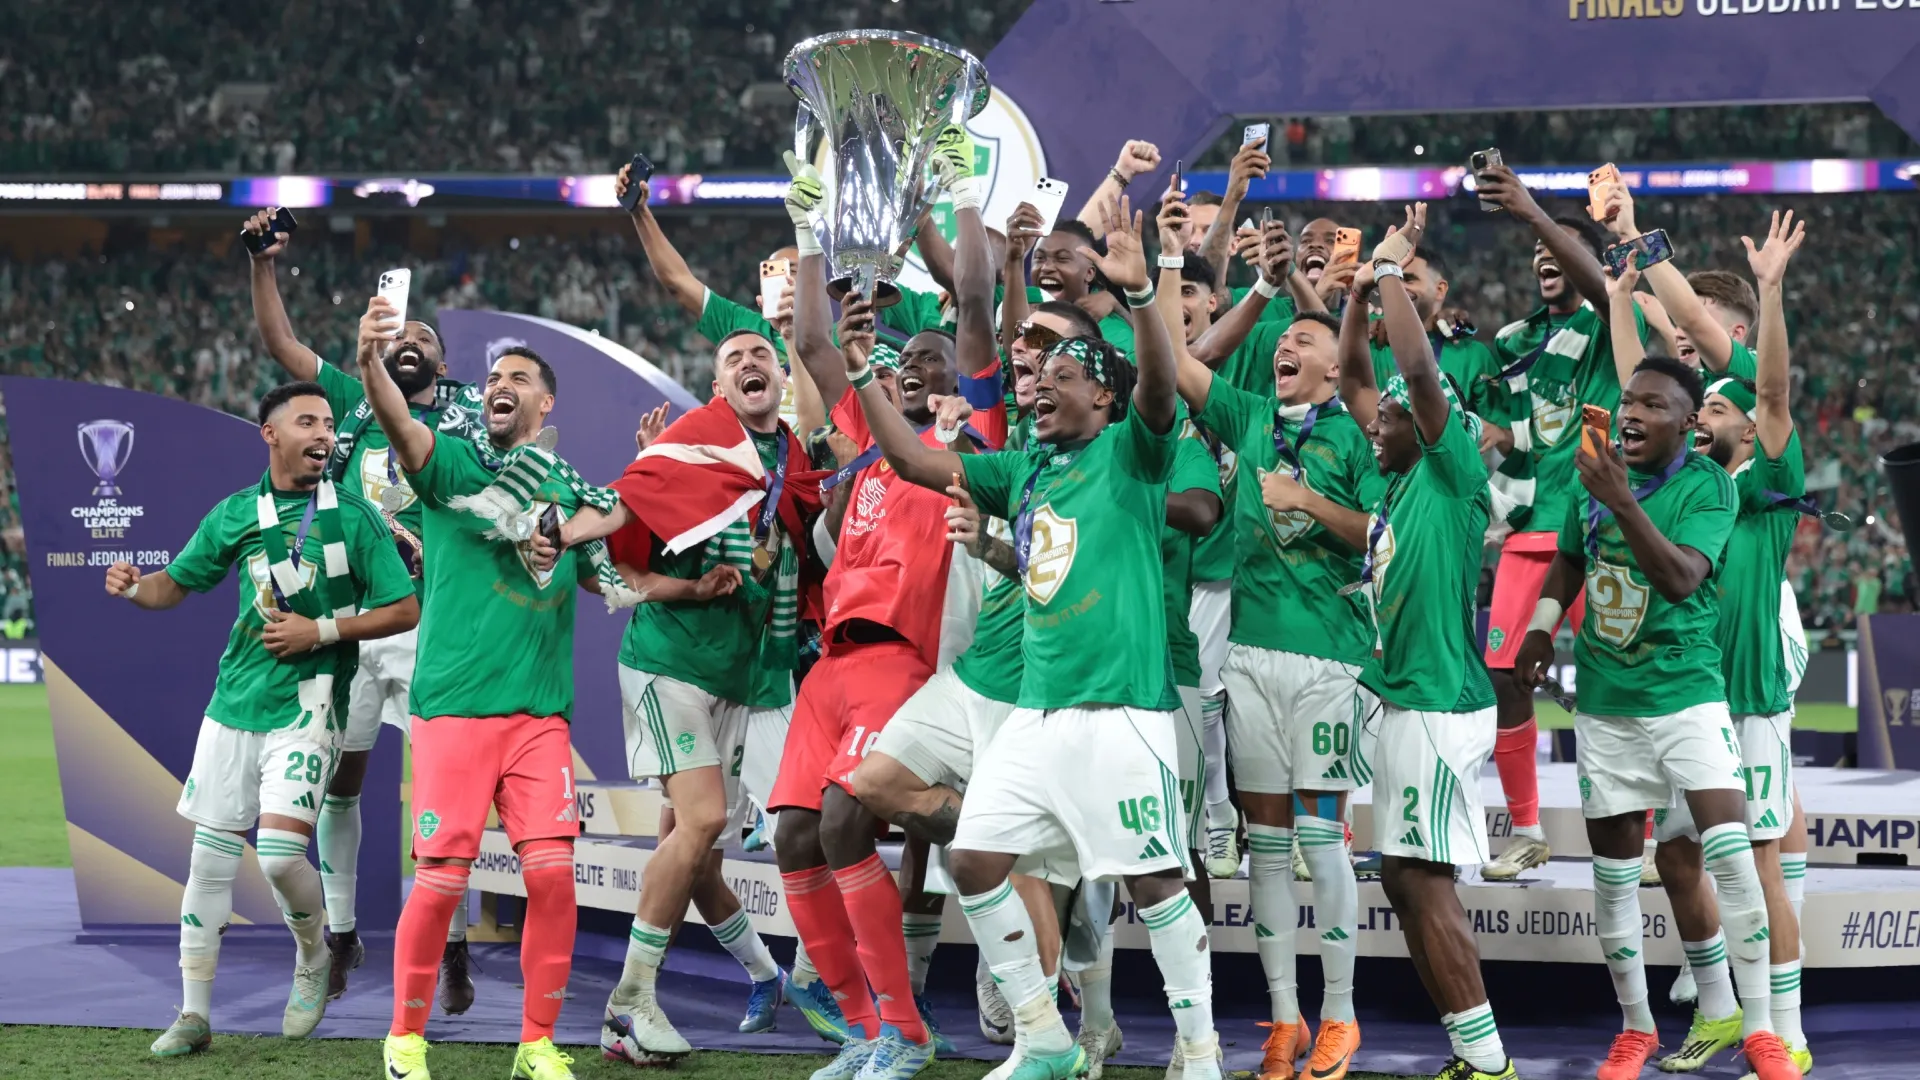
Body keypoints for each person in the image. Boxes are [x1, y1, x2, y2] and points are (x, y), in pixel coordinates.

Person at [853, 190, 1223, 1080]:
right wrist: (863, 374)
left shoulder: (1133, 452)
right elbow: (911, 460)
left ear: (1104, 393)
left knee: (1155, 884)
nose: (1038, 390)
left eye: (1060, 379)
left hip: (1120, 712)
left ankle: (1201, 1052)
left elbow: (1163, 388)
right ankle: (1044, 1039)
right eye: (1032, 381)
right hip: (1036, 714)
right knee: (977, 862)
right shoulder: (1025, 468)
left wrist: (1141, 299)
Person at [765, 127, 1006, 1080]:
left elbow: (979, 300)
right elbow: (813, 340)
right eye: (910, 364)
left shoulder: (974, 444)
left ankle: (903, 1029)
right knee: (792, 839)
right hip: (831, 661)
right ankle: (870, 1025)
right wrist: (808, 217)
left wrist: (963, 189)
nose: (921, 371)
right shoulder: (867, 433)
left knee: (842, 822)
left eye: (938, 368)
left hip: (906, 661)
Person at [112, 381, 418, 1057]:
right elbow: (175, 584)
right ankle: (193, 1014)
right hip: (233, 705)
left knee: (281, 857)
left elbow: (403, 610)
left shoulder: (357, 518)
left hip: (310, 704)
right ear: (271, 434)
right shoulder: (235, 514)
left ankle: (314, 956)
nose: (323, 433)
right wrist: (137, 587)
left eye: (330, 423)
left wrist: (323, 631)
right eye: (307, 421)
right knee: (209, 860)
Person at [1513, 355, 1797, 1080]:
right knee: (1613, 880)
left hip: (1688, 697)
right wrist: (1542, 628)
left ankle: (1760, 1029)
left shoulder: (1709, 489)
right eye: (1627, 401)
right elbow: (1570, 562)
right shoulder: (1594, 471)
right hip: (1608, 704)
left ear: (1688, 423)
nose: (1631, 414)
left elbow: (1677, 580)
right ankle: (1635, 1029)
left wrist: (1623, 499)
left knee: (1731, 861)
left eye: (1652, 405)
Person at [553, 328, 829, 1060]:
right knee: (703, 823)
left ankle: (766, 975)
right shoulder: (689, 450)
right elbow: (621, 525)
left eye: (761, 356)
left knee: (698, 847)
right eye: (733, 357)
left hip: (751, 678)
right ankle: (632, 997)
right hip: (670, 664)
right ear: (716, 387)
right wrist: (564, 528)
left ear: (780, 379)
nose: (749, 363)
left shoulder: (796, 463)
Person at [359, 297, 613, 1080]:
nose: (500, 383)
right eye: (494, 375)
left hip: (540, 715)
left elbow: (621, 571)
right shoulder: (453, 468)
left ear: (545, 404)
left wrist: (686, 574)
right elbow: (401, 427)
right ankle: (405, 1038)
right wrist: (369, 359)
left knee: (551, 878)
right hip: (454, 709)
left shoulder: (565, 490)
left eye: (519, 377)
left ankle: (536, 1043)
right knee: (440, 881)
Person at [1159, 191, 1379, 1080]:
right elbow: (1174, 364)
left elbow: (1380, 535)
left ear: (1336, 370)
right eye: (1282, 345)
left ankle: (1341, 1016)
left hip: (1330, 658)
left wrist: (1308, 503)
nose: (1287, 349)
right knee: (1269, 851)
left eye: (1305, 345)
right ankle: (1284, 1021)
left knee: (1324, 845)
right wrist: (1172, 263)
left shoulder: (1362, 437)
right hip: (1248, 659)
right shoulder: (1248, 418)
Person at [242, 209, 480, 1004]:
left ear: (444, 364)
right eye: (399, 335)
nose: (411, 343)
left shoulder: (472, 413)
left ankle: (449, 942)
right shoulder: (347, 396)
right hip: (350, 626)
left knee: (439, 787)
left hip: (432, 625)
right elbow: (281, 347)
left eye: (427, 340)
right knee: (343, 785)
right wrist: (264, 264)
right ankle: (341, 935)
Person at [1340, 207, 1518, 1080]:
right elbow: (1358, 384)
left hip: (1440, 702)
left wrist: (1383, 270)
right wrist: (1352, 303)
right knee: (1407, 881)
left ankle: (1488, 1065)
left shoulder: (1450, 478)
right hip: (1407, 702)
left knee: (1422, 878)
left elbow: (1414, 368)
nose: (1378, 422)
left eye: (1396, 415)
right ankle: (1471, 1056)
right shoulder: (1396, 486)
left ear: (1435, 422)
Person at [1635, 213, 1814, 1079]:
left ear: (1748, 422)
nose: (1703, 407)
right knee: (1675, 853)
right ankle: (1716, 1008)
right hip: (1690, 695)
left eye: (1714, 402)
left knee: (1762, 859)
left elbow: (1768, 389)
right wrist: (1637, 248)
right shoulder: (1693, 482)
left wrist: (1771, 291)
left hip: (1748, 698)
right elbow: (1687, 336)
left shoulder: (1771, 478)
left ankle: (1785, 1026)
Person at [1473, 161, 1645, 884]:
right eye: (1538, 252)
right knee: (1506, 674)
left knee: (1627, 675)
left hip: (1602, 527)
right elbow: (1517, 429)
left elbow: (1605, 286)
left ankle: (1645, 834)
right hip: (1532, 529)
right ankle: (1528, 828)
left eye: (1558, 249)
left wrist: (1533, 212)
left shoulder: (1614, 321)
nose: (1544, 257)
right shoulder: (1517, 341)